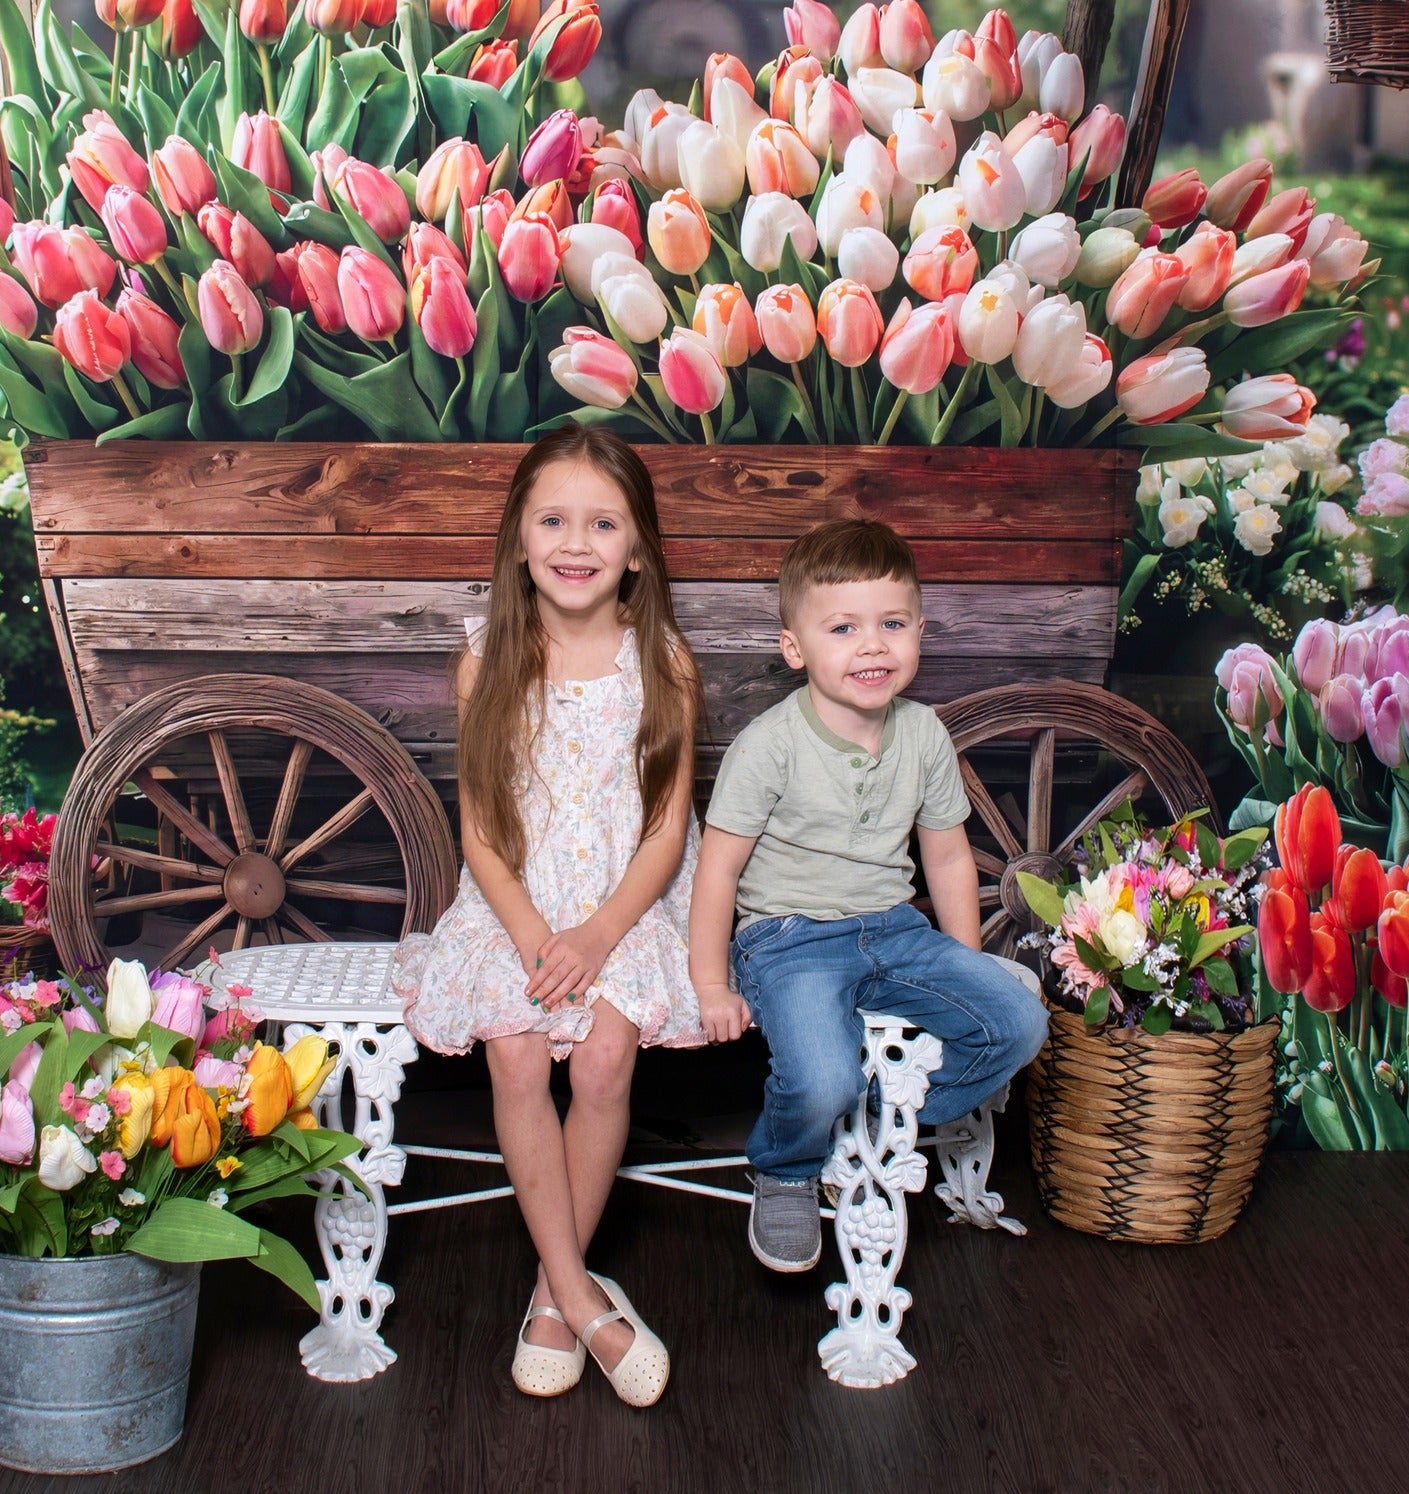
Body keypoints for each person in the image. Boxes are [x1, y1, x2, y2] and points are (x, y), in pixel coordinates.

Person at [392, 422, 704, 1407]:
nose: (577, 542)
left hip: (626, 902)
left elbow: (664, 831)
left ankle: (545, 1291)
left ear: (637, 547)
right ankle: (578, 1292)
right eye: (554, 520)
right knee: (516, 1049)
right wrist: (533, 935)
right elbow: (479, 828)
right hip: (513, 901)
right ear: (518, 540)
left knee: (606, 1057)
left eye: (602, 522)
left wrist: (600, 932)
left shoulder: (664, 665)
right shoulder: (487, 659)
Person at [687, 518, 1047, 1272]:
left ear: (919, 631)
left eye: (891, 624)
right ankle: (785, 1167)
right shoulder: (770, 745)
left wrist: (964, 960)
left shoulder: (924, 734)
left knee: (1017, 1020)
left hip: (894, 930)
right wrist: (711, 982)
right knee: (823, 1075)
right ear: (797, 648)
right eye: (844, 627)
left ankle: (883, 1121)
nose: (872, 645)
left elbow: (946, 856)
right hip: (789, 939)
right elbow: (716, 869)